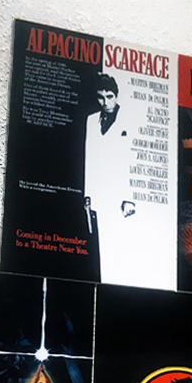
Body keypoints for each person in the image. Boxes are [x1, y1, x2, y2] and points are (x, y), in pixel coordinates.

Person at [84, 73, 134, 283]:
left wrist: (129, 198)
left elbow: (132, 160)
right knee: (99, 249)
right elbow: (89, 156)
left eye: (109, 96)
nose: (105, 102)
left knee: (120, 248)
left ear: (116, 95)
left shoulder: (129, 120)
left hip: (120, 196)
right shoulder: (91, 121)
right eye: (100, 97)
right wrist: (87, 195)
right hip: (98, 194)